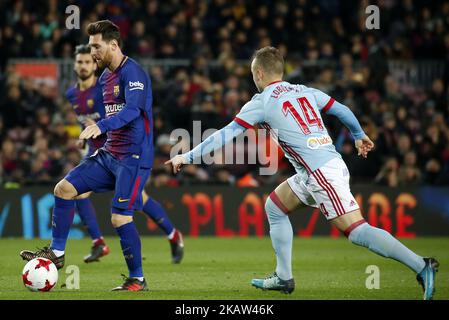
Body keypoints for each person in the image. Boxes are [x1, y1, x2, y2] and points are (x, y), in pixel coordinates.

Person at [165, 47, 439, 300]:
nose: (254, 80)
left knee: (357, 231)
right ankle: (284, 277)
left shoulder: (261, 101)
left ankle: (420, 265)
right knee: (275, 205)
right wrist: (358, 134)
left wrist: (186, 156)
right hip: (318, 168)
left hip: (320, 173)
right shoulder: (305, 90)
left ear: (259, 73)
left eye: (253, 75)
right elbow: (341, 110)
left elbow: (224, 136)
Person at [19, 20, 171, 291]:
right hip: (109, 153)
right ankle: (58, 253)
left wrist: (99, 126)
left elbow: (132, 111)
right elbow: (110, 116)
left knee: (120, 218)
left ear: (113, 45)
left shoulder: (132, 73)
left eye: (96, 47)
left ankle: (137, 278)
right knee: (64, 189)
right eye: (90, 47)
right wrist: (95, 133)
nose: (93, 53)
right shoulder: (104, 78)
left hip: (133, 158)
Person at [64, 44, 184, 264]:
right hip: (99, 150)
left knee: (137, 201)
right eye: (80, 61)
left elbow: (122, 115)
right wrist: (85, 136)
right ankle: (99, 242)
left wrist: (99, 127)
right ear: (74, 64)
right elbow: (89, 121)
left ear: (93, 64)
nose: (84, 65)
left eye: (88, 61)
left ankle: (172, 235)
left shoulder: (106, 86)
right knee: (76, 192)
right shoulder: (72, 94)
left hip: (123, 151)